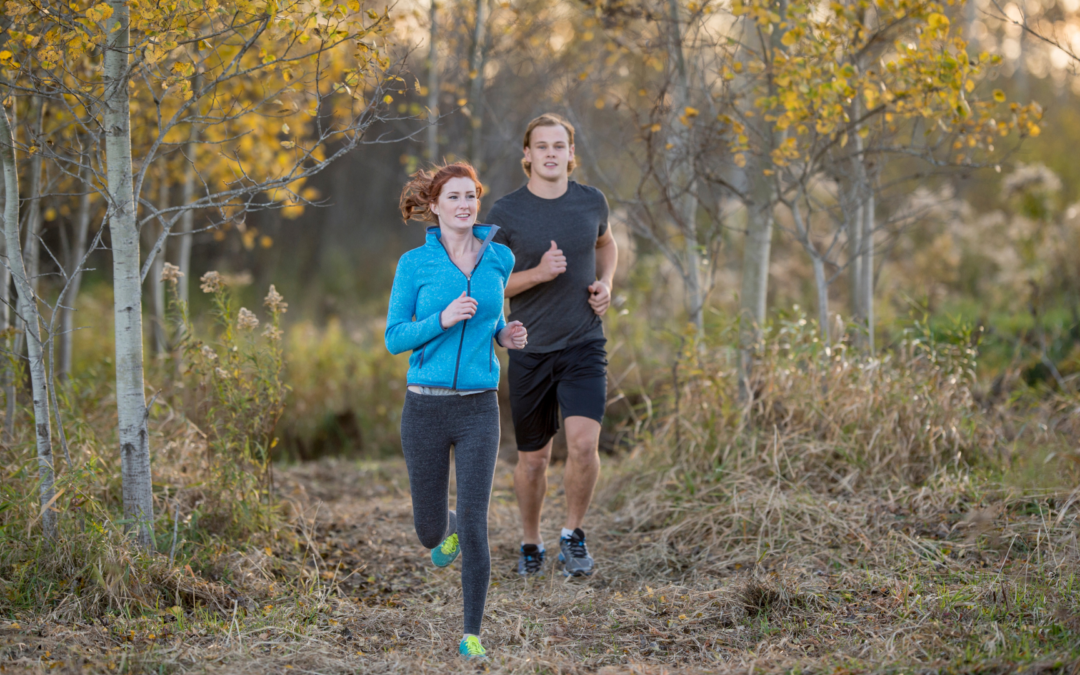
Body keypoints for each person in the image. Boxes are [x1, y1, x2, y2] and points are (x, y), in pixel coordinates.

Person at [385, 162, 527, 659]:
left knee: (475, 520)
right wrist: (441, 319)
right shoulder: (413, 265)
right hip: (424, 408)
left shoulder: (500, 258)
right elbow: (393, 337)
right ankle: (443, 534)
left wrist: (505, 336)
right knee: (430, 529)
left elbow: (494, 319)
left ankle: (472, 634)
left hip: (478, 409)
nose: (465, 205)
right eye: (454, 197)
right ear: (434, 205)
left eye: (471, 196)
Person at [486, 113, 618, 577]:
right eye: (541, 146)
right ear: (527, 155)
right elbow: (489, 285)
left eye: (558, 146)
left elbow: (607, 244)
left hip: (584, 342)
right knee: (534, 459)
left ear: (570, 154)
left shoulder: (591, 202)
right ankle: (530, 542)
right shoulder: (505, 213)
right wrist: (540, 273)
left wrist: (605, 283)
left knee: (584, 446)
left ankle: (572, 536)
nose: (550, 154)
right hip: (530, 348)